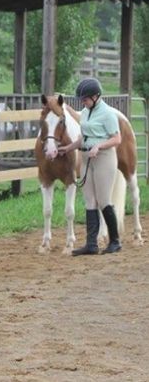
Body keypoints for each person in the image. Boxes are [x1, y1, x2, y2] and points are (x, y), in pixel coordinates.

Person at [58, 77, 122, 256]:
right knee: (89, 201)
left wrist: (98, 146)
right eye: (81, 99)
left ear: (96, 96)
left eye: (85, 99)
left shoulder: (108, 114)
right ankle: (91, 244)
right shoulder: (86, 111)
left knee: (103, 200)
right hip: (86, 157)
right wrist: (68, 148)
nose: (82, 102)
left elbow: (117, 138)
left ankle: (115, 241)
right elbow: (84, 137)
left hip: (103, 158)